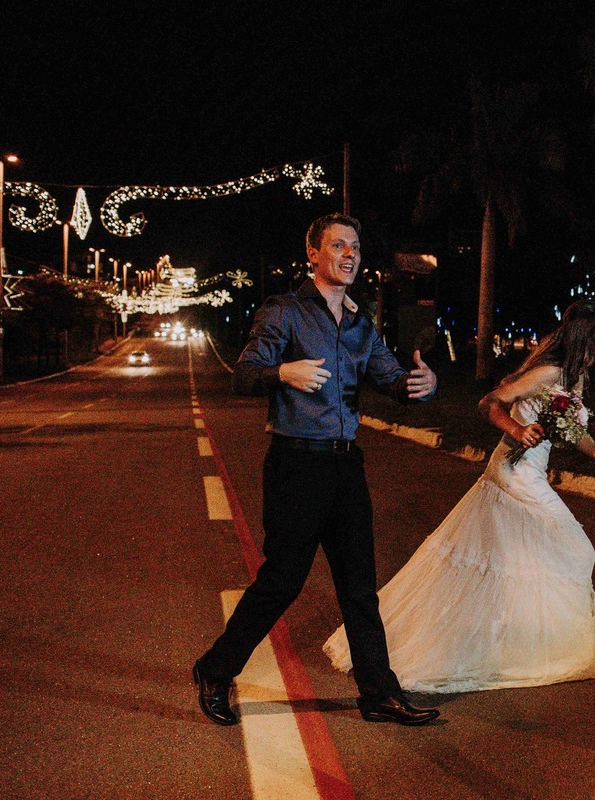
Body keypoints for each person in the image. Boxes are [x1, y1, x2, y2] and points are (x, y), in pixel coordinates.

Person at [193, 213, 441, 727]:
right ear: (314, 254)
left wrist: (422, 384)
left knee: (359, 587)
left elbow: (391, 379)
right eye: (338, 246)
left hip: (346, 467)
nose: (350, 255)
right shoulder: (284, 312)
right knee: (283, 580)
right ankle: (216, 670)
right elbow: (243, 375)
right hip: (296, 466)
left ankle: (378, 693)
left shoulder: (359, 323)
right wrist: (282, 370)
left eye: (355, 246)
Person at [323, 299, 595, 692]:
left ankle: (532, 643)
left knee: (528, 560)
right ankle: (565, 651)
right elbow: (490, 402)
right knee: (577, 549)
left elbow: (570, 428)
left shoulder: (575, 377)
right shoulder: (549, 372)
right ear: (592, 338)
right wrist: (518, 431)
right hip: (515, 472)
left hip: (528, 472)